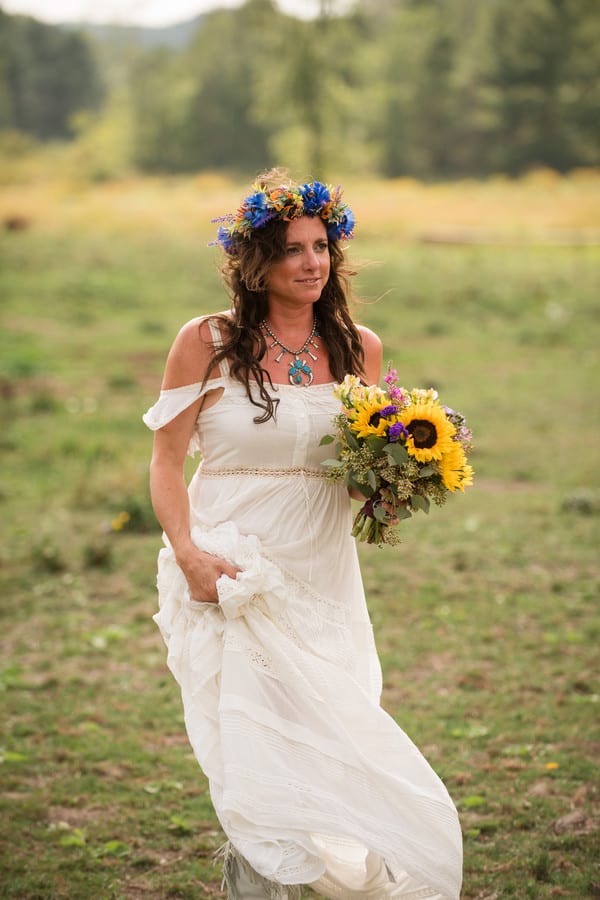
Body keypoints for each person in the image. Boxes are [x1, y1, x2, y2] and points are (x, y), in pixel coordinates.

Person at [143, 169, 463, 899]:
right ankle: (257, 885)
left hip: (321, 571)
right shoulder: (205, 342)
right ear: (257, 262)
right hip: (232, 567)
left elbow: (353, 474)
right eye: (292, 249)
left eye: (322, 246)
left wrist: (399, 478)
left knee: (329, 734)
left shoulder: (358, 349)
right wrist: (189, 554)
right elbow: (164, 462)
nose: (311, 262)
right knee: (255, 740)